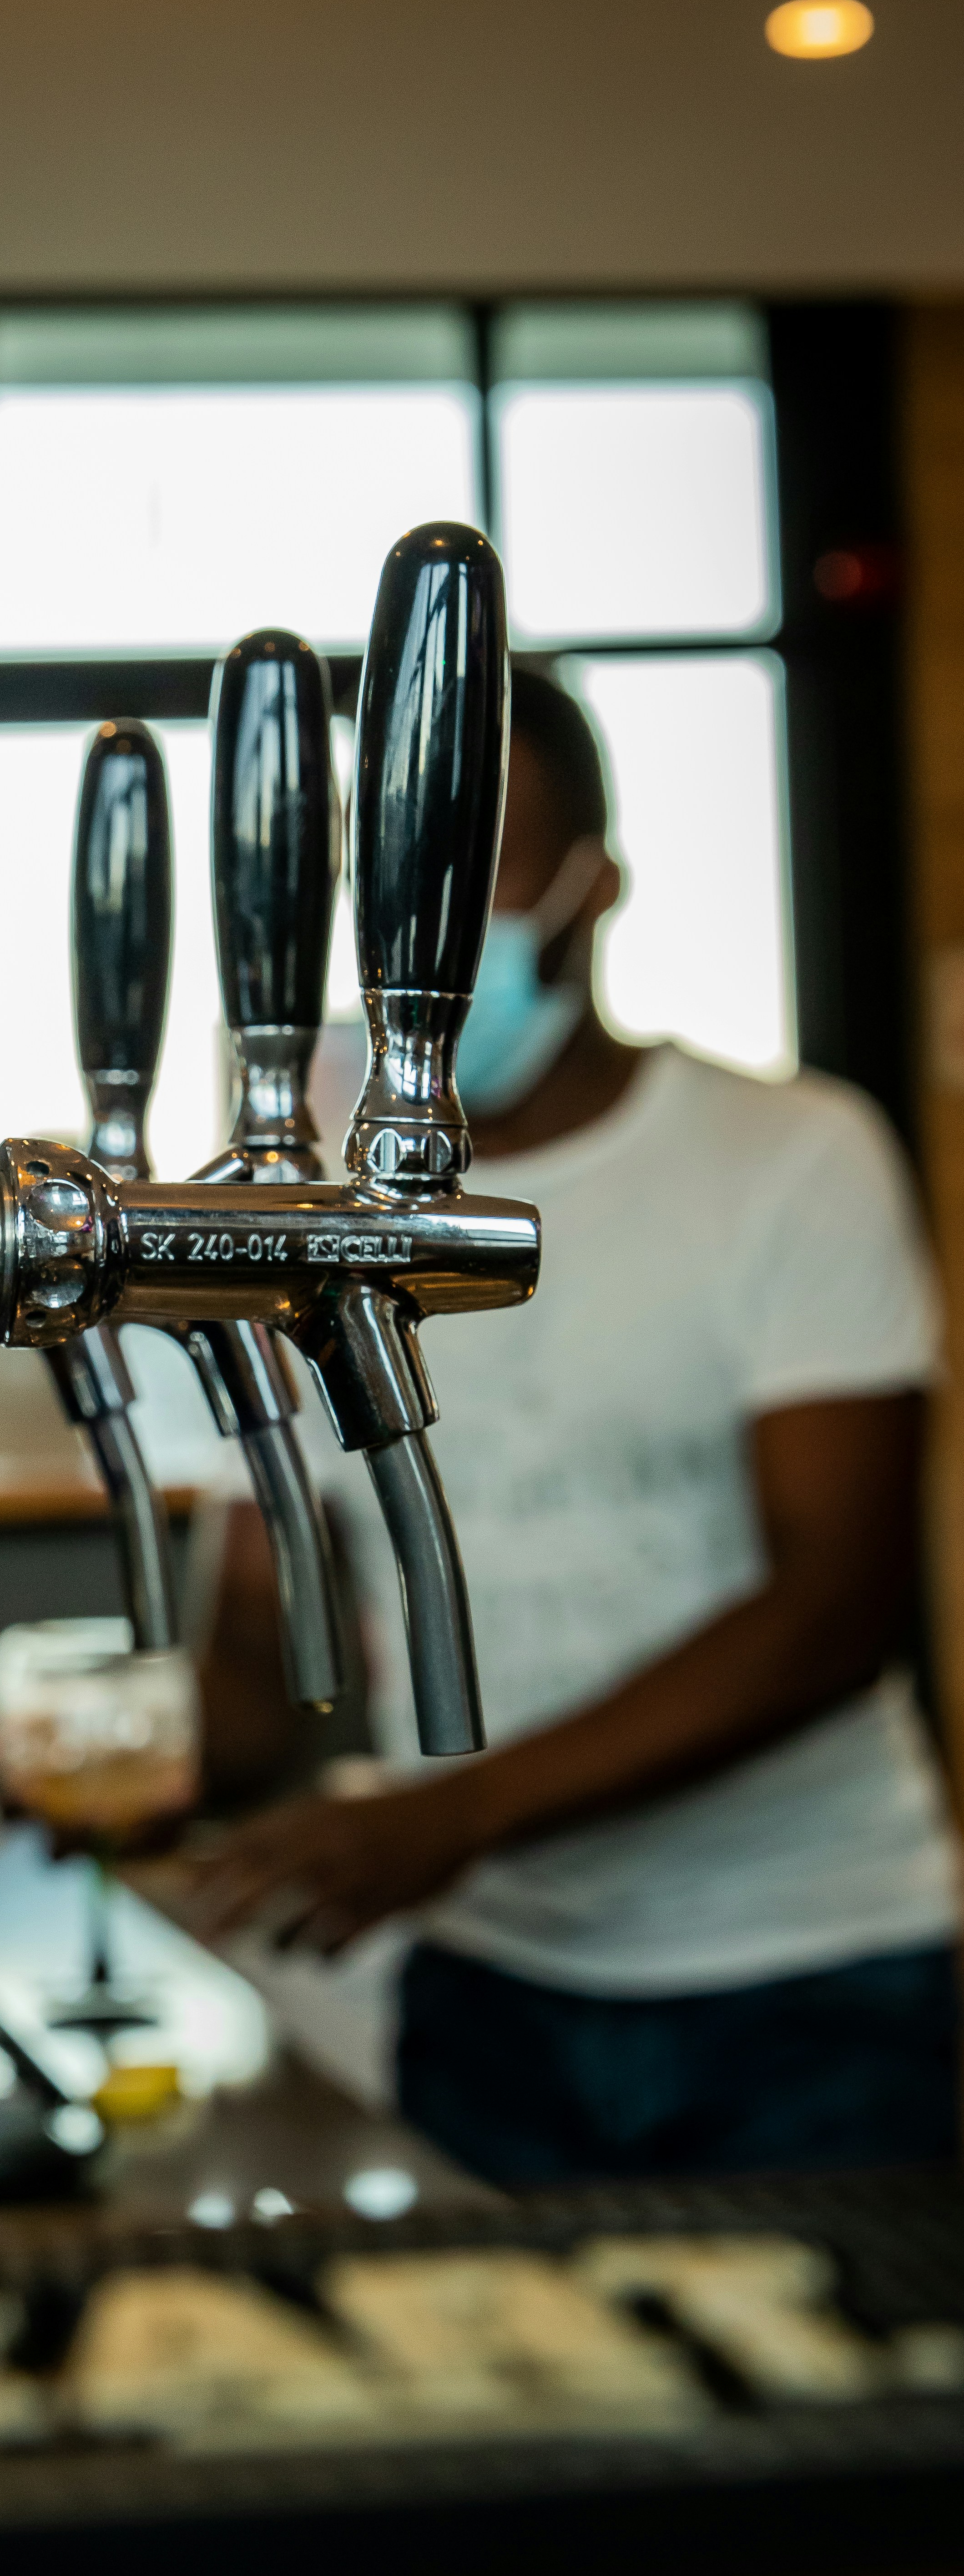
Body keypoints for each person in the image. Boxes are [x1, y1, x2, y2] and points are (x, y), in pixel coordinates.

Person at [191, 667, 961, 2186]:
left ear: (592, 888)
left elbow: (835, 1609)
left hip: (813, 1980)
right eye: (381, 894)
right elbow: (272, 1639)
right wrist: (133, 1747)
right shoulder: (323, 1228)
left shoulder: (790, 1159)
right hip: (483, 1992)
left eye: (465, 881)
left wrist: (453, 1816)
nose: (412, 940)